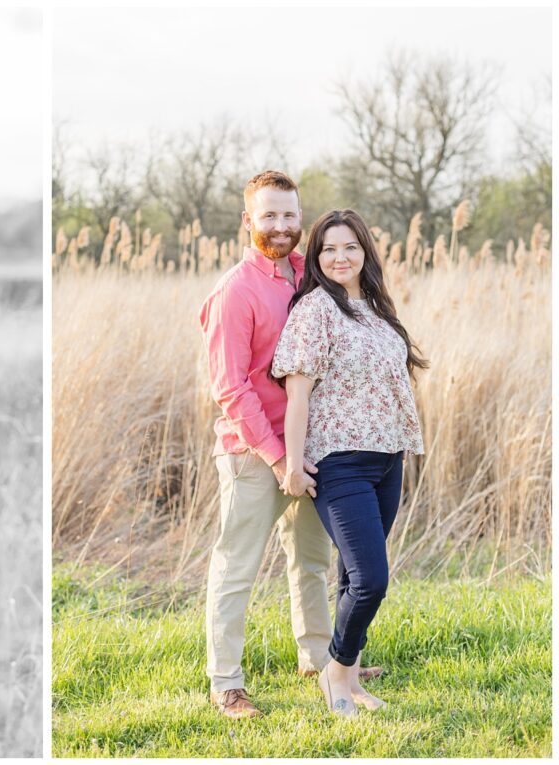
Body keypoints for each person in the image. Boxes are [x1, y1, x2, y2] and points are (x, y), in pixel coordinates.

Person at [198, 171, 382, 720]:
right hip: (252, 453)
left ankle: (317, 656)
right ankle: (226, 682)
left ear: (301, 219)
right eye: (269, 215)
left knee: (311, 558)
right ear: (248, 222)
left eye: (289, 215)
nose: (281, 226)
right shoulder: (235, 291)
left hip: (314, 445)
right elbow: (230, 387)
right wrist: (280, 458)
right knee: (237, 566)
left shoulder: (308, 275)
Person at [271, 209, 426, 717]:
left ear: (365, 252)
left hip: (387, 458)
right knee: (370, 579)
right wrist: (293, 464)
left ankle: (351, 678)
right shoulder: (314, 309)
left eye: (350, 247)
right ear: (316, 257)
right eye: (328, 249)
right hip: (340, 464)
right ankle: (335, 674)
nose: (340, 257)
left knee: (350, 577)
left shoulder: (376, 310)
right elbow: (298, 395)